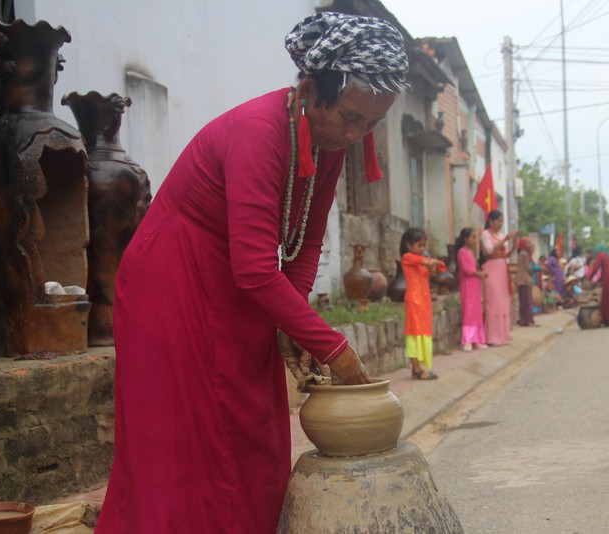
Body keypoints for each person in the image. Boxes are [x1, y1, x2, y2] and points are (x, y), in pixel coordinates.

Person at [95, 13, 409, 533]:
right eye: (352, 118)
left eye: (372, 125)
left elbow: (305, 242)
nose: (356, 135)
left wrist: (295, 319)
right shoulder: (258, 132)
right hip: (172, 281)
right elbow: (257, 268)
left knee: (254, 427)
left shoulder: (328, 142)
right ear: (310, 90)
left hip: (242, 283)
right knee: (184, 444)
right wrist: (333, 347)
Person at [401, 227, 445, 379]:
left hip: (424, 302)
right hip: (414, 301)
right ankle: (418, 369)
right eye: (419, 245)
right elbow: (420, 260)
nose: (422, 249)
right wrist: (429, 261)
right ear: (409, 245)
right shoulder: (407, 257)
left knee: (423, 332)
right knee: (414, 333)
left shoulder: (420, 262)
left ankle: (417, 368)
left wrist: (432, 266)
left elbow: (434, 269)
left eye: (423, 246)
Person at [480, 210, 517, 345]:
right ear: (491, 221)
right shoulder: (485, 234)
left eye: (502, 221)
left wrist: (513, 245)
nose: (500, 224)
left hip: (502, 268)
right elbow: (489, 250)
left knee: (503, 302)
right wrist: (504, 240)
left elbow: (506, 254)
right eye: (498, 221)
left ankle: (503, 336)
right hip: (491, 267)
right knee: (493, 300)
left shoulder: (501, 235)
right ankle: (492, 337)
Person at [455, 228, 488, 351]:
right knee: (469, 311)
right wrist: (479, 274)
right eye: (473, 237)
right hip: (468, 285)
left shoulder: (469, 252)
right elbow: (467, 270)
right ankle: (468, 340)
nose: (475, 240)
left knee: (476, 310)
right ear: (465, 239)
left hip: (474, 284)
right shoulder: (462, 252)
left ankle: (477, 339)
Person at [516, 237, 536, 326]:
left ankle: (524, 319)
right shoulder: (525, 254)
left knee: (523, 301)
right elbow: (528, 268)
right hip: (525, 280)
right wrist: (532, 272)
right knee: (528, 301)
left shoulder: (520, 254)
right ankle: (528, 320)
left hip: (520, 280)